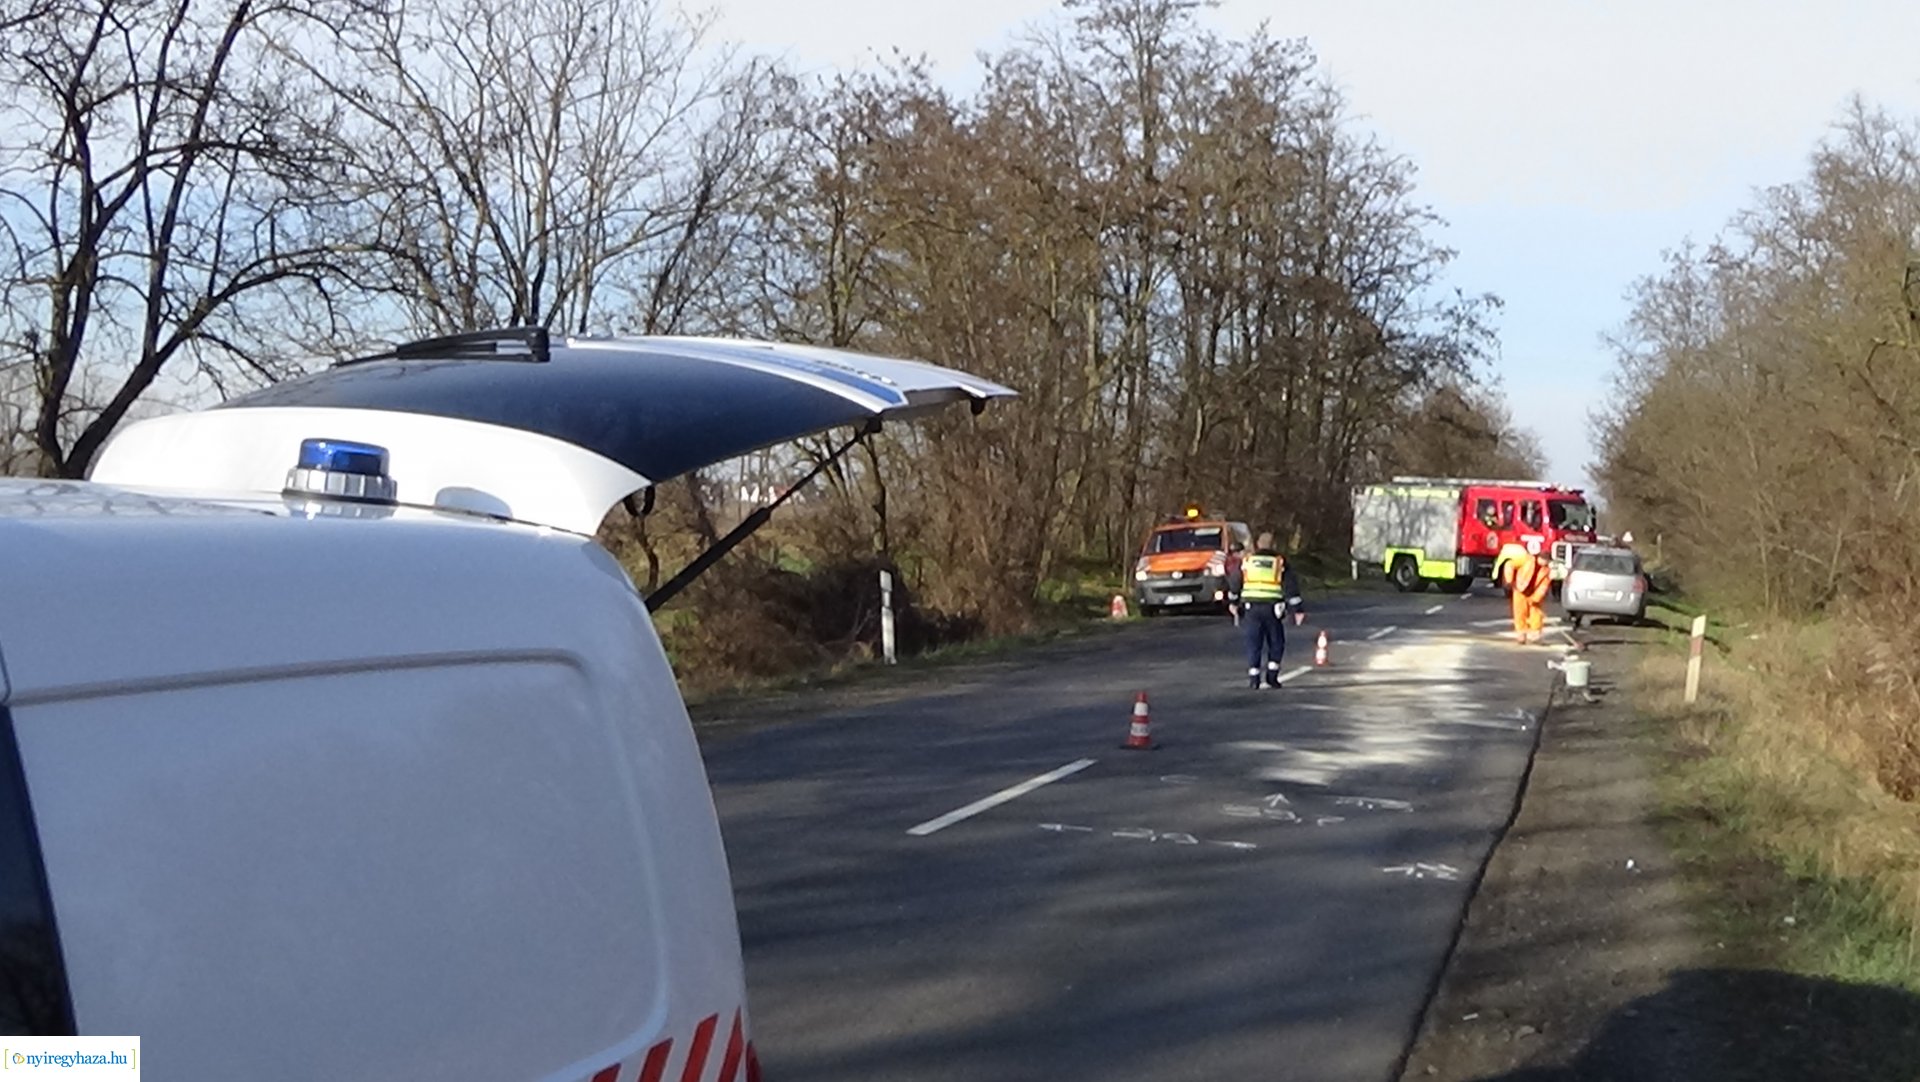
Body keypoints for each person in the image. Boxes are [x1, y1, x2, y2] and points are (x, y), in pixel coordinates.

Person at [1227, 532, 1307, 688]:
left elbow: (1236, 581)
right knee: (1276, 642)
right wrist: (1297, 610)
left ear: (1257, 545)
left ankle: (1254, 678)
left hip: (1251, 609)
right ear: (1274, 545)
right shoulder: (1279, 563)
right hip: (1272, 609)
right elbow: (1290, 587)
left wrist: (1233, 602)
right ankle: (1272, 676)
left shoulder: (1248, 561)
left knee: (1253, 643)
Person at [1495, 542, 1551, 645]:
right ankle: (1521, 635)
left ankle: (1535, 635)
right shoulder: (1526, 560)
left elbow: (1543, 586)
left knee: (1536, 614)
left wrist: (1536, 598)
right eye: (1543, 560)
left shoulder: (1546, 571)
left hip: (1534, 593)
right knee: (1520, 612)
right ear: (1538, 557)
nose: (1544, 562)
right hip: (1520, 589)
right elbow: (1509, 565)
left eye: (1546, 561)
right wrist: (1509, 580)